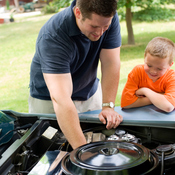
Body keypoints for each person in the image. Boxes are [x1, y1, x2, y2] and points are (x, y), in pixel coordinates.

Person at [29, 0, 123, 149]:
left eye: (105, 27)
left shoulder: (107, 18)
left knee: (100, 142)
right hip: (50, 101)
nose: (100, 32)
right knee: (55, 151)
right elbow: (61, 99)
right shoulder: (53, 35)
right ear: (78, 13)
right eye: (94, 26)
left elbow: (111, 63)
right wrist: (82, 153)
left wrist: (108, 106)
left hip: (89, 91)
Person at [121, 37, 175, 113]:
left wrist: (145, 91)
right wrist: (161, 96)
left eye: (159, 69)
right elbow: (126, 103)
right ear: (144, 57)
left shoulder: (172, 77)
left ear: (170, 65)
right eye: (149, 65)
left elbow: (168, 107)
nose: (153, 71)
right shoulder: (137, 72)